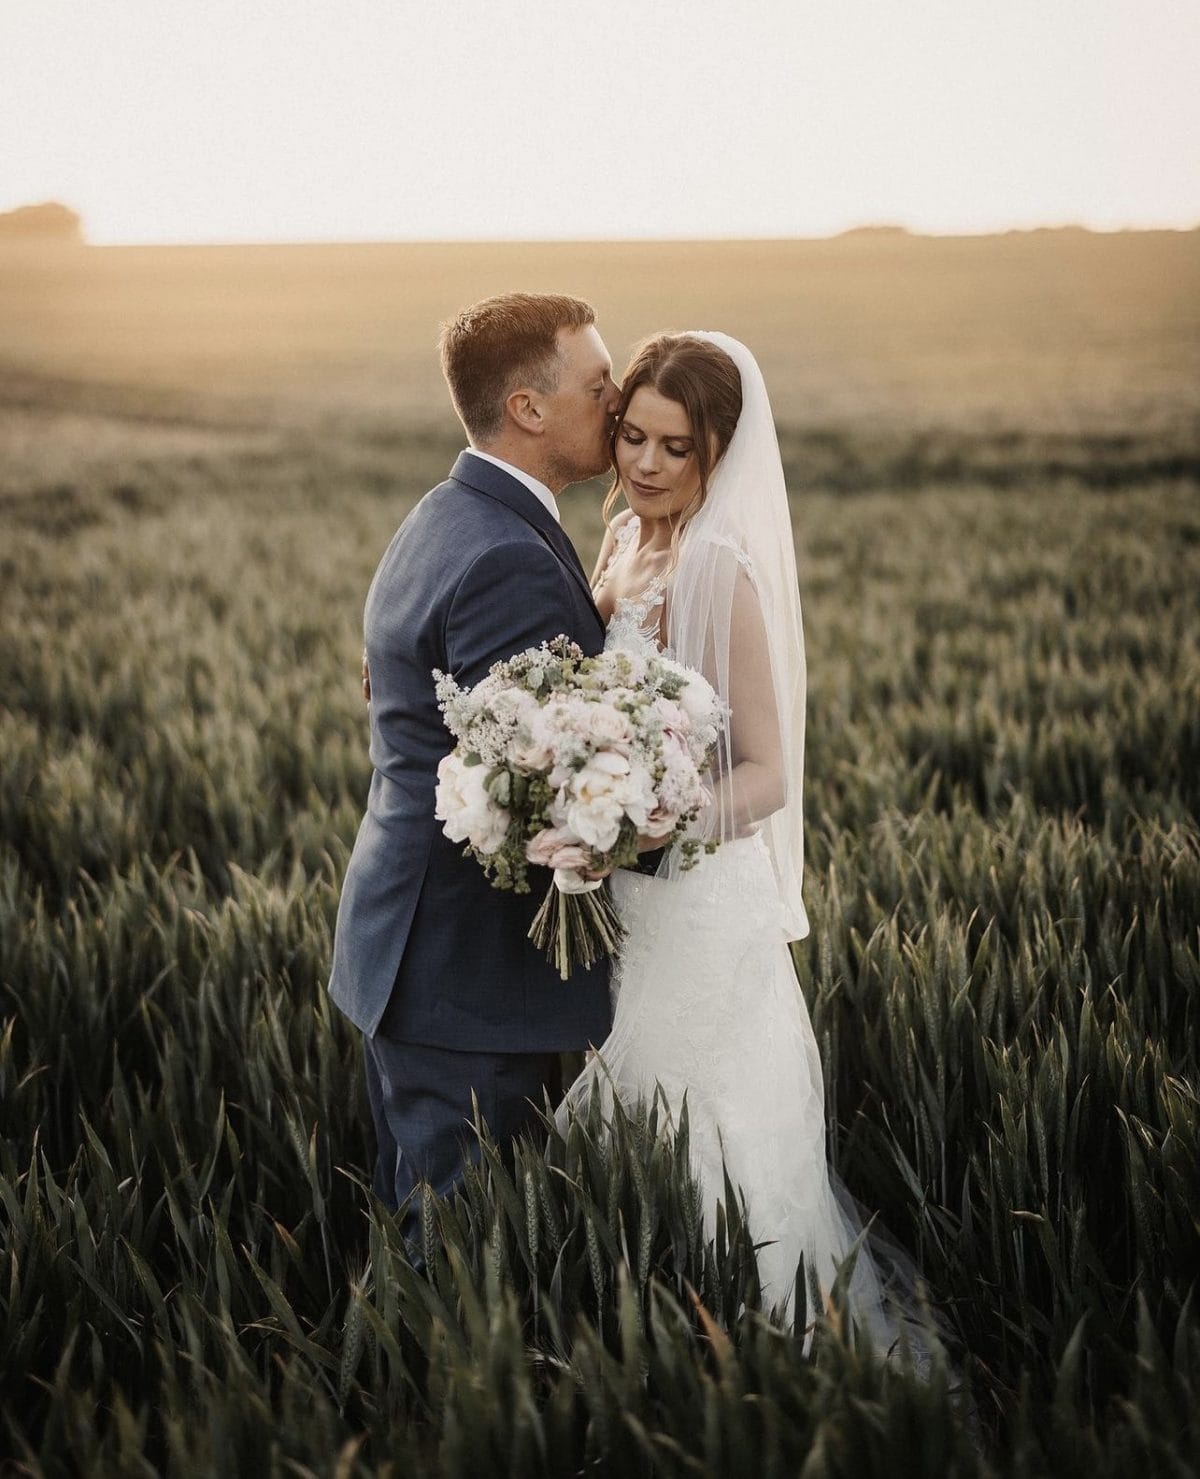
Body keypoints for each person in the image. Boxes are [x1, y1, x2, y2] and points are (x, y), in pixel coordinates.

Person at [562, 331, 938, 1356]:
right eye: (631, 435)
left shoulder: (721, 565)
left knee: (709, 1110)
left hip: (693, 890)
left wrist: (650, 822)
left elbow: (765, 774)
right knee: (638, 1106)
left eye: (673, 448)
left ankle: (768, 1339)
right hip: (627, 893)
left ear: (718, 452)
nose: (643, 463)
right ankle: (653, 1321)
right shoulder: (621, 541)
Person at [330, 293, 622, 1234]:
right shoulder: (509, 556)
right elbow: (534, 787)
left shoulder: (445, 512)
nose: (616, 404)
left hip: (410, 946)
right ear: (529, 408)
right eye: (599, 384)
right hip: (468, 974)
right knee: (454, 1257)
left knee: (428, 1227)